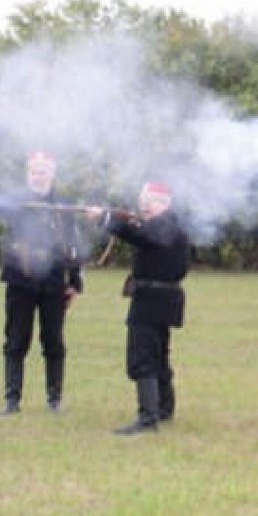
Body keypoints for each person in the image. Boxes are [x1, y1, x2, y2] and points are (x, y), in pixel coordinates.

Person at [86, 181, 190, 435]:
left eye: (151, 200)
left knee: (143, 357)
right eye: (143, 199)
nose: (144, 205)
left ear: (165, 203)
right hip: (160, 297)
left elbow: (138, 233)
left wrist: (106, 219)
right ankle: (163, 408)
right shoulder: (166, 224)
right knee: (158, 356)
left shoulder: (162, 225)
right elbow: (138, 231)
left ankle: (148, 418)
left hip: (152, 298)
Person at [0, 151, 84, 414]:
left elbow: (72, 245)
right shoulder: (15, 202)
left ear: (52, 175)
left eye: (44, 171)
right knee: (15, 340)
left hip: (53, 281)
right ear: (27, 173)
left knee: (53, 340)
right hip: (20, 279)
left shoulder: (63, 206)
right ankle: (12, 400)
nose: (39, 176)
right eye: (34, 171)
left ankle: (54, 400)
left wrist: (75, 280)